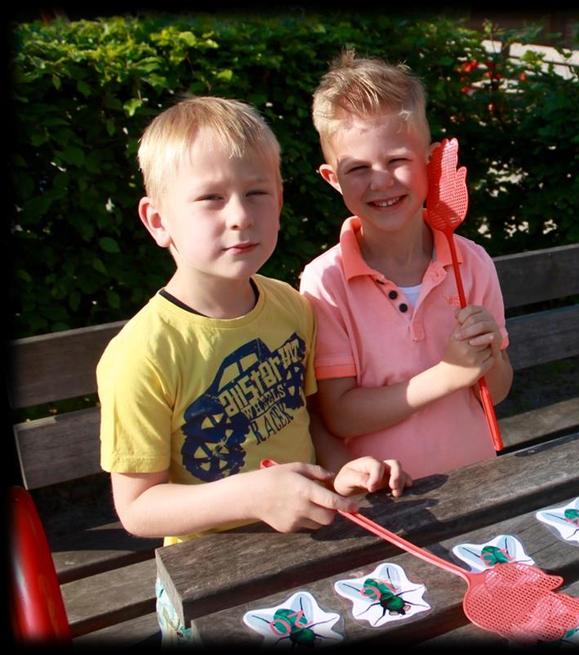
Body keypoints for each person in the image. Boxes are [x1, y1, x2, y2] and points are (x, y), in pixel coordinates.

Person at [96, 96, 410, 644]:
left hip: (311, 552)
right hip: (211, 577)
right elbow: (138, 509)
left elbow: (307, 421)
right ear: (157, 221)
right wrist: (253, 496)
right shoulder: (141, 355)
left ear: (280, 200)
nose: (240, 214)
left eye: (256, 193)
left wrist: (343, 471)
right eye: (211, 199)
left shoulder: (290, 306)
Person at [300, 52, 513, 480]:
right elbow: (339, 414)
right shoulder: (325, 282)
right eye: (357, 168)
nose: (380, 181)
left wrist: (488, 357)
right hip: (389, 499)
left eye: (397, 160)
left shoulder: (470, 262)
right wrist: (448, 375)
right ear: (332, 179)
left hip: (479, 481)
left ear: (431, 161)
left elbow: (500, 391)